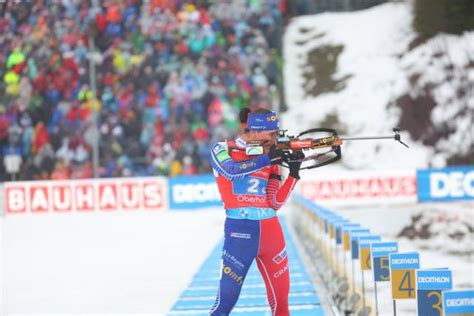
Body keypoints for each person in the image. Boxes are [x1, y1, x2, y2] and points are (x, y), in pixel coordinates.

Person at [209, 108, 302, 315]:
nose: (274, 138)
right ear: (256, 131)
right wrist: (267, 159)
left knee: (281, 303)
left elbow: (275, 202)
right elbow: (230, 171)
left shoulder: (270, 155)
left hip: (272, 233)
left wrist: (294, 172)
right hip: (240, 234)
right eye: (271, 134)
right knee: (225, 303)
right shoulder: (222, 148)